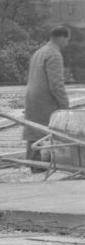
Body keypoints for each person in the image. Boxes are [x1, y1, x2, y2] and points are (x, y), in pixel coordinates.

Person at [23, 26, 71, 166]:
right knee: (48, 129)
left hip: (32, 95)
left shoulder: (40, 52)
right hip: (44, 98)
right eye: (67, 41)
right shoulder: (54, 54)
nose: (66, 44)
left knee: (34, 129)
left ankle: (33, 161)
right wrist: (64, 104)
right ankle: (41, 163)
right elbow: (56, 84)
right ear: (61, 37)